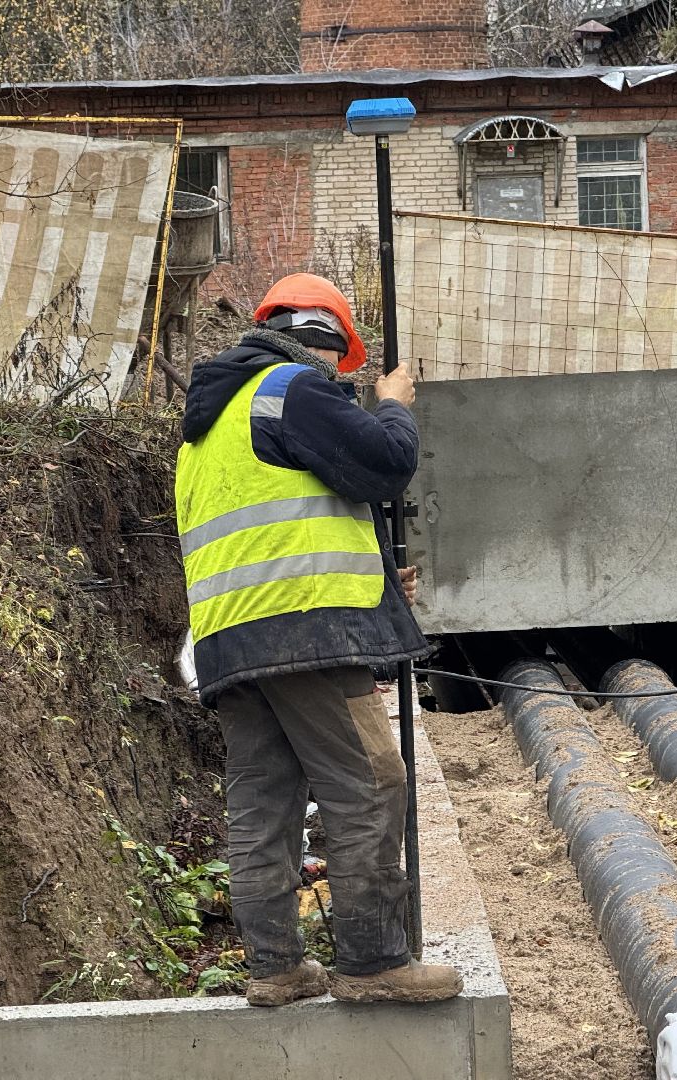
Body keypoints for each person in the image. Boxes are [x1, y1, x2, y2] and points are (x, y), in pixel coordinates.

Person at [175, 273, 461, 1006]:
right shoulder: (290, 387)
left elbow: (285, 527)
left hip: (232, 643)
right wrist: (391, 406)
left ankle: (275, 967)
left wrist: (377, 586)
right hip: (304, 633)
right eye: (342, 367)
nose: (341, 381)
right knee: (371, 781)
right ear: (327, 342)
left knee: (262, 804)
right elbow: (384, 464)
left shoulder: (207, 427)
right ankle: (373, 963)